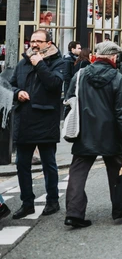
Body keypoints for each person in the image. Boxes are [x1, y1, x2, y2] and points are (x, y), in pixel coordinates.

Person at [64, 41, 122, 228]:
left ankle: (74, 213)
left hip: (84, 132)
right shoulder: (117, 78)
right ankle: (120, 210)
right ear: (112, 57)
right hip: (110, 134)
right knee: (116, 170)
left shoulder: (80, 75)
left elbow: (69, 101)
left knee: (77, 172)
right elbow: (121, 113)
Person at [11, 29, 65, 219]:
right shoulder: (22, 63)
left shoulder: (59, 62)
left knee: (49, 164)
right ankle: (27, 204)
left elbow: (54, 84)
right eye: (32, 41)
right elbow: (9, 84)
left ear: (48, 44)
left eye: (38, 41)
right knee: (21, 165)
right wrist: (17, 92)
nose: (33, 44)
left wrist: (40, 64)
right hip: (24, 121)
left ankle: (52, 201)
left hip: (45, 121)